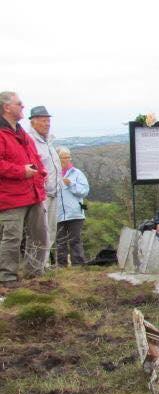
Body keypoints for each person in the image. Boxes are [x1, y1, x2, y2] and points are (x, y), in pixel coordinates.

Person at [0, 91, 48, 287]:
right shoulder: (2, 134)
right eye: (19, 104)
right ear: (6, 107)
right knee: (12, 237)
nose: (23, 107)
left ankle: (34, 272)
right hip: (11, 197)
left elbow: (35, 159)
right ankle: (7, 277)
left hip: (33, 193)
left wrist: (41, 174)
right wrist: (21, 171)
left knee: (40, 234)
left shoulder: (22, 133)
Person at [28, 106, 62, 265]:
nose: (47, 124)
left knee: (51, 231)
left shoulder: (48, 141)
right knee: (40, 232)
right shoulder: (30, 141)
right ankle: (37, 265)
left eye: (48, 121)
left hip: (53, 192)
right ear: (33, 122)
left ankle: (44, 264)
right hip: (41, 194)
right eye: (43, 121)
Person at [56, 147, 89, 266]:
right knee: (60, 241)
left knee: (75, 240)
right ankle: (61, 266)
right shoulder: (53, 174)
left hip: (75, 213)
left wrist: (71, 184)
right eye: (63, 157)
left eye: (68, 157)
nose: (66, 159)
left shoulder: (77, 173)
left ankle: (79, 265)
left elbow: (84, 191)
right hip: (58, 214)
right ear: (57, 159)